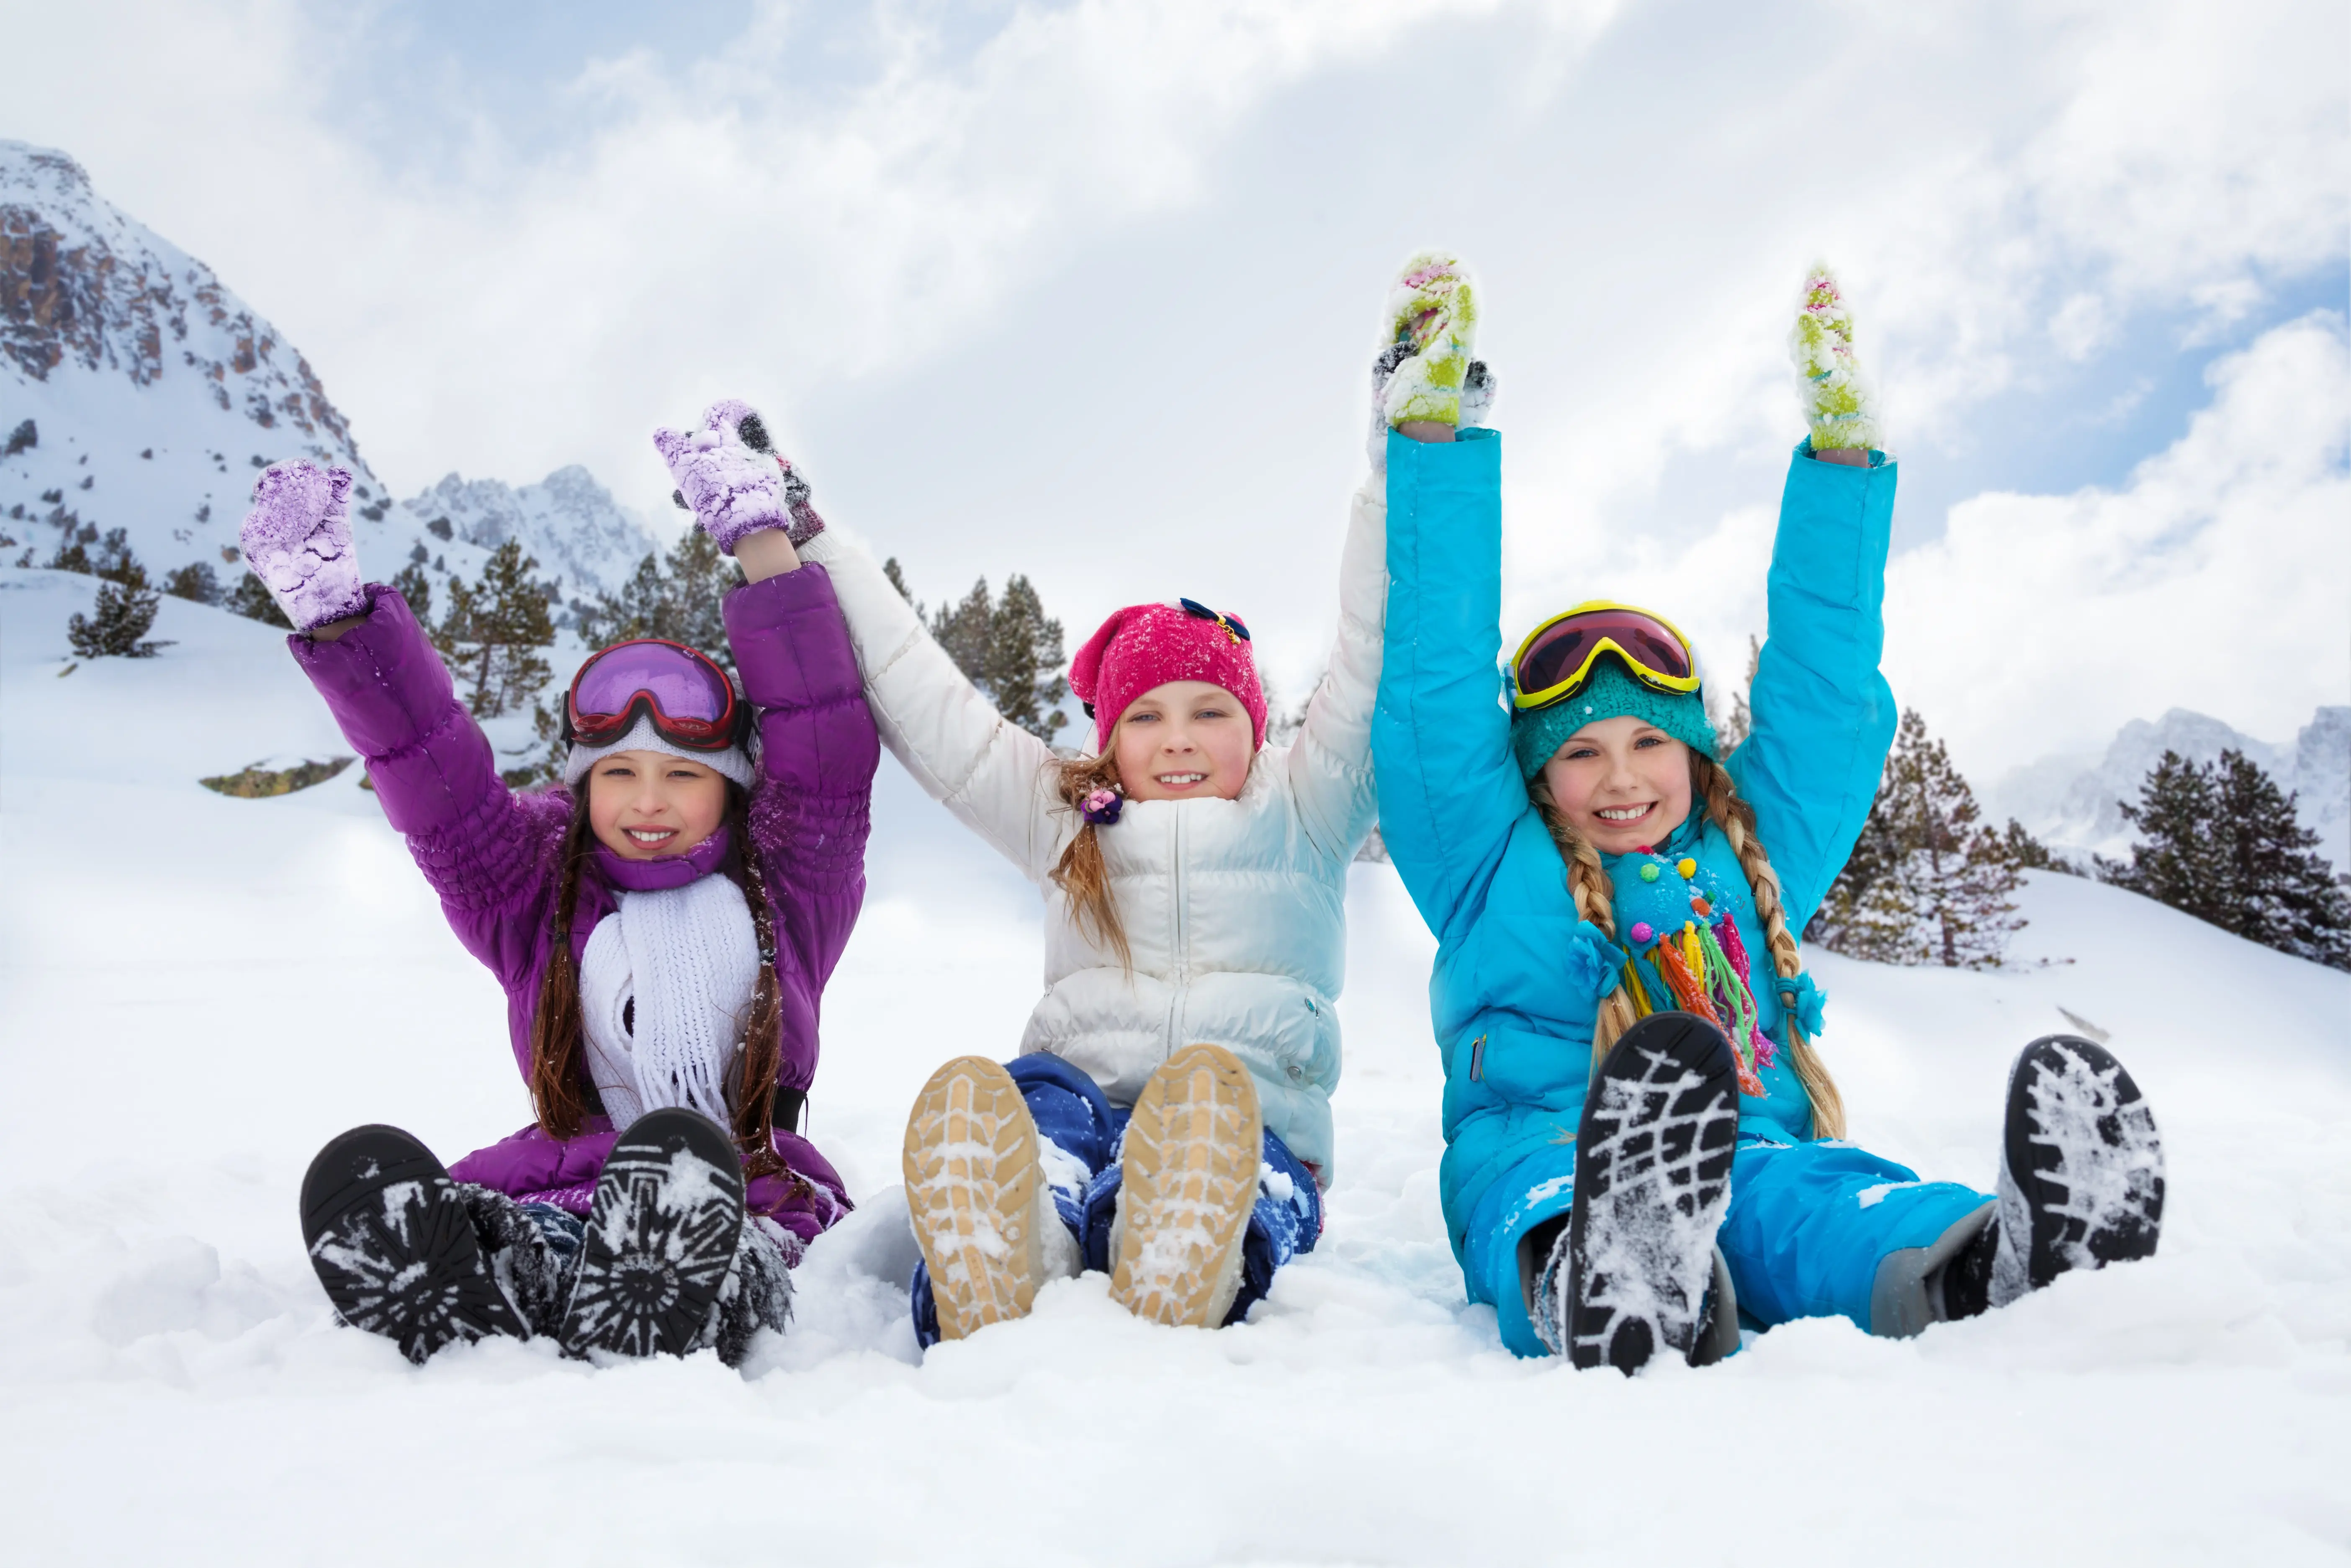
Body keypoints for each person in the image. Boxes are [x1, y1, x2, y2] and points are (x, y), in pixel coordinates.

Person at [1371, 263, 2168, 1371]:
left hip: (1754, 1147)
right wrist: (1432, 439)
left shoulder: (1758, 849)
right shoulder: (1485, 856)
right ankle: (1613, 1287)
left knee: (1825, 1206)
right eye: (1582, 753)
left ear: (1698, 755)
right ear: (1533, 774)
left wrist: (1843, 461)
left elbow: (1824, 691)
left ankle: (1999, 1264)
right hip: (1539, 1151)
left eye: (1651, 741)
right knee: (1547, 1206)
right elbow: (1429, 683)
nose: (1620, 776)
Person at [764, 258, 1485, 1343]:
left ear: (1260, 724)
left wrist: (1402, 452)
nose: (1180, 739)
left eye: (1210, 712)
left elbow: (1375, 646)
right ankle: (1012, 1246)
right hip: (1080, 1094)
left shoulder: (1305, 807)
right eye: (1147, 718)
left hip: (1247, 1124)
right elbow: (929, 702)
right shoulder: (1068, 818)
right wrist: (810, 536)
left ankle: (1189, 1236)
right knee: (1038, 1112)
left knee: (1224, 1146)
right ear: (1109, 739)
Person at [247, 400, 879, 1366]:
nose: (649, 801)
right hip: (568, 1175)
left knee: (739, 1252)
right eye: (619, 774)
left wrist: (761, 539)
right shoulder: (534, 890)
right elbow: (433, 776)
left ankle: (683, 1286)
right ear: (584, 787)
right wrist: (341, 624)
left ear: (733, 788)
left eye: (683, 775)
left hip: (749, 1186)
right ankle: (501, 1278)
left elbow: (823, 735)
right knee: (533, 1233)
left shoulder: (787, 882)